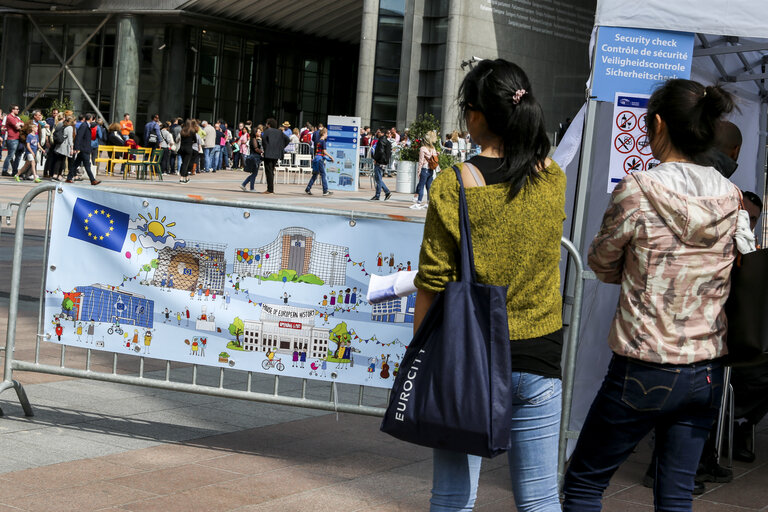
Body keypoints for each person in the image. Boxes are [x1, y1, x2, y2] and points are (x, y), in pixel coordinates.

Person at [562, 79, 746, 512]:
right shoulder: (733, 197)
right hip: (704, 370)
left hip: (642, 365)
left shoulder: (639, 190)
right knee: (676, 495)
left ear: (658, 124)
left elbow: (601, 262)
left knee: (586, 484)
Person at [414, 59, 565, 512]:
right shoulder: (551, 178)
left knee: (453, 497)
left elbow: (433, 282)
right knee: (539, 500)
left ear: (477, 115)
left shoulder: (454, 185)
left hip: (469, 358)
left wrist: (421, 355)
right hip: (539, 355)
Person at [67, 113, 100, 185]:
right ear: (91, 119)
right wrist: (76, 147)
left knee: (75, 164)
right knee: (87, 165)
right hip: (84, 148)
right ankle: (92, 180)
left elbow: (94, 125)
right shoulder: (84, 125)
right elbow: (79, 136)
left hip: (84, 148)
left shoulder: (87, 125)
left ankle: (69, 178)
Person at [261, 118, 290, 194]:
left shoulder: (267, 131)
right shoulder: (280, 132)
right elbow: (287, 139)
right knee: (271, 170)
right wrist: (281, 147)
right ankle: (271, 188)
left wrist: (266, 148)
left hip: (268, 153)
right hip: (277, 154)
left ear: (269, 124)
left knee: (268, 171)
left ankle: (270, 189)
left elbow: (263, 140)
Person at [412, 130, 439, 209]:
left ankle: (418, 203)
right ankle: (428, 202)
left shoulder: (422, 149)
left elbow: (420, 161)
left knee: (421, 186)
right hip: (431, 170)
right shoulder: (433, 148)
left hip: (424, 169)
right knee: (428, 187)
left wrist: (418, 171)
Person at [305, 127, 334, 196]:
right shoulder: (323, 141)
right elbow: (324, 151)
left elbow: (318, 151)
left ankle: (308, 188)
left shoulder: (318, 141)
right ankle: (325, 190)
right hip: (320, 160)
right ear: (323, 133)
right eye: (326, 133)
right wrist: (330, 157)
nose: (327, 135)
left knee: (315, 175)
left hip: (316, 159)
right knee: (323, 174)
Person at [2, 105, 24, 176]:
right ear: (12, 110)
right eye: (17, 109)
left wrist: (20, 124)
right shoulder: (9, 117)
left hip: (17, 139)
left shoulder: (16, 118)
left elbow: (22, 124)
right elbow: (17, 127)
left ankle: (15, 172)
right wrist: (19, 125)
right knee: (10, 156)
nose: (18, 110)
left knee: (18, 156)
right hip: (12, 139)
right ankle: (4, 170)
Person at [371, 128, 392, 201]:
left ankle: (379, 194)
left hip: (380, 161)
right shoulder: (388, 142)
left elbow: (380, 152)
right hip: (384, 162)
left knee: (378, 179)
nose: (377, 133)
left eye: (378, 132)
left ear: (382, 133)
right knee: (378, 178)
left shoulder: (381, 141)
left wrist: (375, 159)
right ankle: (385, 192)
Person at [240, 126, 263, 192]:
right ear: (255, 133)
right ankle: (251, 187)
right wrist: (262, 152)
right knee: (254, 173)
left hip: (256, 157)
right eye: (258, 131)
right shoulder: (253, 139)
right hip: (254, 157)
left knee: (254, 173)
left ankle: (244, 184)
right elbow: (256, 148)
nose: (260, 132)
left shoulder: (257, 139)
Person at [177, 119, 197, 183]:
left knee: (184, 163)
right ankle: (182, 178)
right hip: (188, 148)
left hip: (182, 148)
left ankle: (186, 177)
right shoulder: (192, 131)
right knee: (186, 163)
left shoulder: (182, 131)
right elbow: (195, 140)